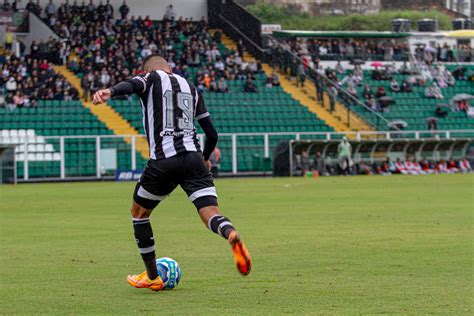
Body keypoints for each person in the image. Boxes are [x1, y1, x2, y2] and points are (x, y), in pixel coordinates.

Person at [92, 55, 251, 291]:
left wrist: (110, 91)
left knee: (139, 214)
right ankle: (230, 233)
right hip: (194, 158)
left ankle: (152, 276)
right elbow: (212, 133)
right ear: (171, 68)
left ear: (147, 70)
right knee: (210, 212)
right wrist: (205, 158)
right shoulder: (191, 87)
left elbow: (133, 85)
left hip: (165, 159)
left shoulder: (152, 77)